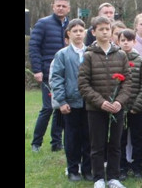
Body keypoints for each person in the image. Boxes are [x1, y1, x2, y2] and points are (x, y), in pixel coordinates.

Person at [78, 16, 134, 188]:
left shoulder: (121, 55)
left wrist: (119, 101)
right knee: (97, 144)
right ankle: (99, 179)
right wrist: (100, 102)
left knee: (116, 143)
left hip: (117, 108)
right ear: (93, 32)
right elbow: (83, 83)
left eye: (107, 29)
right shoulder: (88, 55)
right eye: (100, 29)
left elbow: (128, 82)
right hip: (96, 108)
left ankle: (113, 177)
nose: (104, 32)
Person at [50, 19, 91, 181]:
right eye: (75, 31)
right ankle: (73, 169)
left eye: (81, 30)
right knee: (72, 138)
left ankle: (88, 169)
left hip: (89, 103)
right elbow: (57, 79)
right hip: (70, 103)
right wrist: (61, 101)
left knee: (89, 137)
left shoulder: (91, 52)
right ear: (69, 33)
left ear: (85, 33)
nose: (79, 34)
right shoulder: (62, 54)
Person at [30, 0, 70, 153]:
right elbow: (34, 47)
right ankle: (36, 143)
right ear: (53, 6)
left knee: (61, 108)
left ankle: (56, 142)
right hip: (48, 72)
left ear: (68, 8)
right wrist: (37, 70)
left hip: (66, 73)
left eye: (64, 6)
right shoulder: (43, 23)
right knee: (47, 108)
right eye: (58, 5)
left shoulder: (69, 25)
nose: (60, 8)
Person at [117, 29, 142, 180]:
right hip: (120, 108)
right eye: (122, 40)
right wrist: (118, 103)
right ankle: (122, 166)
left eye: (128, 40)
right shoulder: (115, 60)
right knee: (120, 138)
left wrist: (137, 105)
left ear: (134, 42)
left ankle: (137, 166)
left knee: (137, 137)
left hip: (136, 108)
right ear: (118, 42)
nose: (125, 43)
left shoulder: (141, 62)